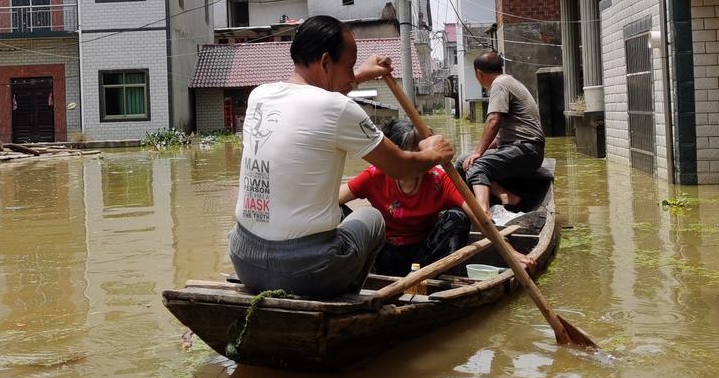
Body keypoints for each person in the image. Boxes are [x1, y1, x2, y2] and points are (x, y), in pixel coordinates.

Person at [230, 15, 455, 299]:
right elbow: (399, 166)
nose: (351, 78)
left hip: (244, 259)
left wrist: (361, 73)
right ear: (325, 62)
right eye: (348, 67)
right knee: (372, 217)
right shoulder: (338, 107)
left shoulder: (259, 95)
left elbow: (315, 94)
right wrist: (435, 153)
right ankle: (348, 302)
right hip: (306, 271)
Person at [340, 118, 473, 277]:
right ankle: (357, 273)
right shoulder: (375, 175)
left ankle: (425, 279)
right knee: (338, 212)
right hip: (381, 254)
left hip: (423, 259)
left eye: (424, 153)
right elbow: (330, 201)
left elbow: (475, 212)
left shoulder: (438, 179)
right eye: (415, 154)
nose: (423, 160)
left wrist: (500, 240)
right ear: (396, 155)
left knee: (458, 218)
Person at [462, 52, 545, 217]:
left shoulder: (499, 84)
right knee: (462, 162)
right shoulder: (508, 81)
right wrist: (477, 153)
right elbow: (501, 136)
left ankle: (484, 214)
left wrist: (478, 152)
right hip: (523, 149)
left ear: (479, 73)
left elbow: (493, 120)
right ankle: (506, 196)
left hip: (526, 150)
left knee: (477, 166)